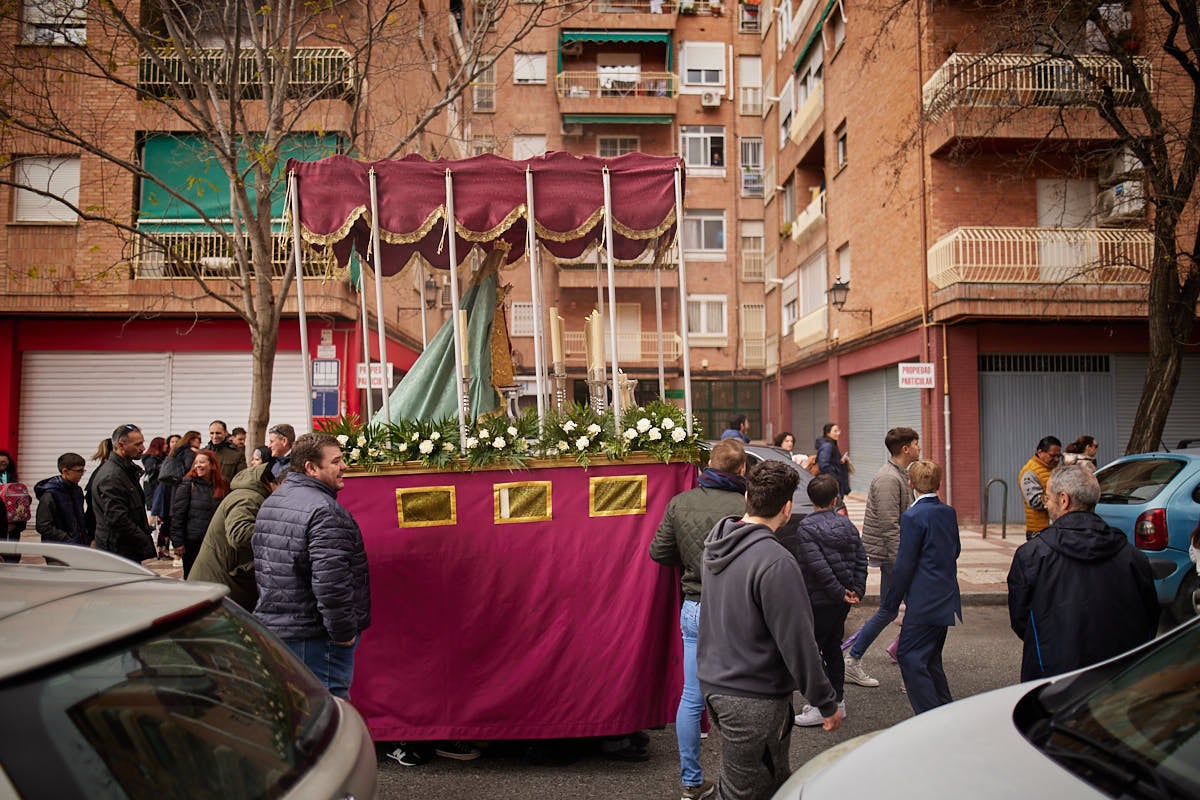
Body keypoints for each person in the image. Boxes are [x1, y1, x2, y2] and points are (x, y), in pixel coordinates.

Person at [699, 460, 842, 800]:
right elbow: (798, 643)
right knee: (747, 790)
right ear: (788, 507)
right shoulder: (775, 561)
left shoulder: (716, 543)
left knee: (769, 779)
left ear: (747, 496)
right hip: (753, 696)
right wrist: (826, 700)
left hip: (717, 685)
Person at [649, 438, 749, 800]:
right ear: (741, 470)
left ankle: (692, 782)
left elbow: (658, 551)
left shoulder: (681, 501)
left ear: (709, 465)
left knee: (692, 697)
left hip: (695, 606)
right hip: (737, 611)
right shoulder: (747, 506)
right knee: (741, 696)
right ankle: (741, 782)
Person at [1006, 465, 1158, 682]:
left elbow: (1021, 620)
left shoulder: (1032, 555)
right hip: (1117, 680)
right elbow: (1149, 618)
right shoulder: (1133, 556)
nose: (1045, 504)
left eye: (1046, 497)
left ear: (1064, 500)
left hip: (1052, 678)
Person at [253, 432, 371, 699]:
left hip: (283, 630)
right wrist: (343, 633)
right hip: (316, 636)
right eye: (336, 461)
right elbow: (331, 582)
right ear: (311, 468)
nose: (344, 467)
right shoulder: (324, 510)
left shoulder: (275, 501)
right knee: (328, 713)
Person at [843, 426, 922, 687]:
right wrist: (902, 561)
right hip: (895, 556)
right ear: (905, 448)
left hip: (896, 555)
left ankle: (856, 658)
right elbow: (890, 524)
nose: (919, 448)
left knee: (891, 610)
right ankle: (857, 659)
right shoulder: (889, 478)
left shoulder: (898, 474)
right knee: (900, 609)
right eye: (916, 444)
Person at [787, 474, 867, 727]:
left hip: (819, 600)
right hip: (841, 601)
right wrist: (855, 590)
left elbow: (817, 566)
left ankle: (823, 704)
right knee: (832, 646)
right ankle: (837, 701)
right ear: (835, 499)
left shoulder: (807, 528)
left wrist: (839, 591)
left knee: (815, 650)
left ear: (811, 500)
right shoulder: (847, 525)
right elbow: (860, 558)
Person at [883, 459, 961, 716]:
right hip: (946, 594)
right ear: (939, 483)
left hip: (924, 599)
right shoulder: (948, 512)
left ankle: (930, 716)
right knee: (930, 658)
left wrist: (892, 601)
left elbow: (904, 564)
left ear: (910, 484)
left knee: (910, 656)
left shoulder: (913, 516)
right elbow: (955, 549)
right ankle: (944, 709)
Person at [188, 462, 282, 611]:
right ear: (275, 484)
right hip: (217, 587)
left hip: (219, 585)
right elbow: (239, 535)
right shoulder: (248, 497)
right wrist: (281, 532)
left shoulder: (250, 496)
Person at [91, 424, 156, 563]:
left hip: (125, 547)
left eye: (142, 443)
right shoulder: (112, 476)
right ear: (121, 445)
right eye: (138, 444)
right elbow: (117, 518)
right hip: (118, 550)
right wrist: (142, 538)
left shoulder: (125, 471)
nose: (143, 448)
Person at [171, 449, 230, 578]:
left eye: (202, 462)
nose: (198, 465)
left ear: (212, 465)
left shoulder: (223, 484)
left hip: (215, 542)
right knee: (193, 577)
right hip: (193, 542)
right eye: (196, 462)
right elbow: (178, 515)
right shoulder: (187, 484)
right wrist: (178, 542)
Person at [152, 430, 201, 557]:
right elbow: (190, 470)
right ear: (192, 440)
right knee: (178, 518)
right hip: (184, 488)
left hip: (172, 488)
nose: (200, 442)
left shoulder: (176, 451)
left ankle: (166, 548)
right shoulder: (189, 453)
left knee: (172, 518)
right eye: (198, 439)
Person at [34, 452, 90, 546]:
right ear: (65, 471)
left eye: (83, 471)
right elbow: (43, 526)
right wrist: (67, 538)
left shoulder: (77, 491)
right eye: (79, 471)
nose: (82, 474)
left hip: (78, 545)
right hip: (57, 548)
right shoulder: (50, 494)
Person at [1018, 436, 1062, 540]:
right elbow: (1034, 501)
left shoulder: (1055, 469)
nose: (1056, 460)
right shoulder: (1029, 473)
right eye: (1052, 456)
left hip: (1056, 526)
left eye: (1058, 456)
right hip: (1039, 531)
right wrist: (1061, 499)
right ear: (1040, 452)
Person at [0, 450, 28, 562]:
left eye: (4, 463)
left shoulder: (15, 484)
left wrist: (17, 525)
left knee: (11, 559)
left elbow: (22, 507)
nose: (1, 467)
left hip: (12, 529)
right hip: (2, 528)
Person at [814, 423, 850, 501]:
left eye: (838, 431)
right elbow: (823, 465)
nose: (838, 433)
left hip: (833, 481)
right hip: (831, 483)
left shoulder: (832, 444)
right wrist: (835, 477)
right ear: (828, 433)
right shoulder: (827, 446)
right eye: (835, 431)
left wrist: (841, 462)